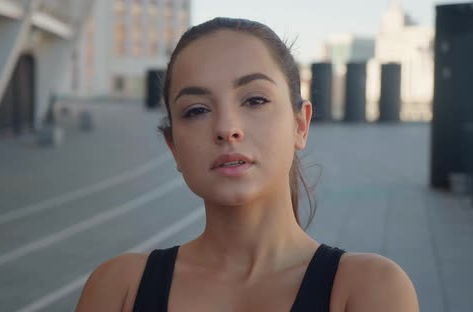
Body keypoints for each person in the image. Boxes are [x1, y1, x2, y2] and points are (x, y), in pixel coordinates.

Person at [76, 17, 419, 312]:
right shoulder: (119, 289)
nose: (227, 128)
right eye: (196, 110)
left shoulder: (368, 290)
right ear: (173, 147)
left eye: (255, 100)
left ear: (300, 125)